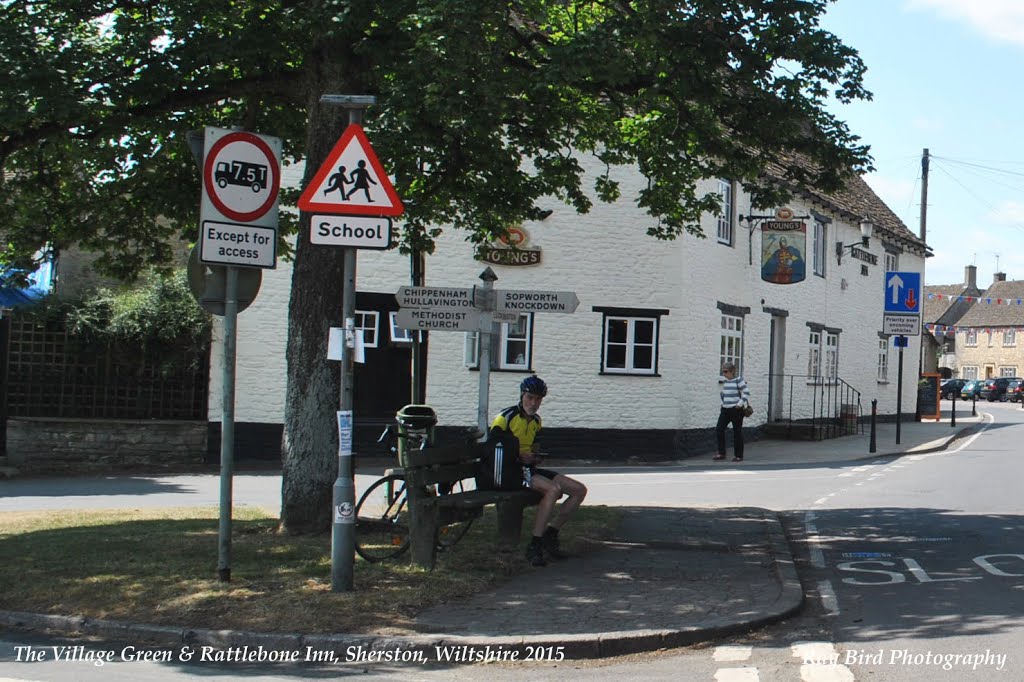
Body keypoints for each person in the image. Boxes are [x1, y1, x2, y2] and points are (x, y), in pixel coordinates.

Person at [491, 375, 588, 567]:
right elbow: (494, 448)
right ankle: (534, 545)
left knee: (579, 490)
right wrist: (519, 455)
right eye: (530, 397)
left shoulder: (536, 421)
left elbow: (534, 446)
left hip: (529, 468)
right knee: (553, 490)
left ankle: (550, 534)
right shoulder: (506, 417)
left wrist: (535, 455)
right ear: (522, 395)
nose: (533, 403)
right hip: (509, 471)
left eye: (538, 399)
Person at [714, 362, 750, 462]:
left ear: (732, 371)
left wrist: (739, 404)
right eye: (723, 371)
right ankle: (721, 453)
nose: (724, 374)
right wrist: (722, 403)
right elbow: (722, 395)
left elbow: (746, 392)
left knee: (737, 432)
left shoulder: (738, 380)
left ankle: (738, 455)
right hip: (725, 410)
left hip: (736, 410)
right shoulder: (725, 382)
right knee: (719, 429)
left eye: (726, 371)